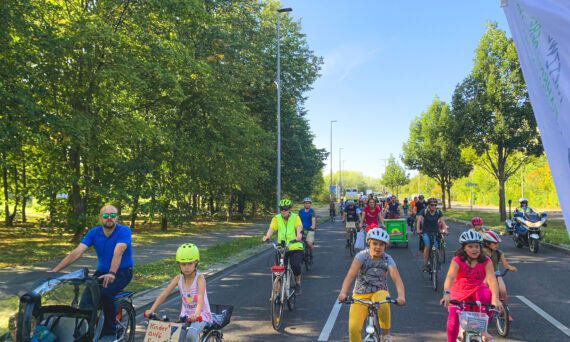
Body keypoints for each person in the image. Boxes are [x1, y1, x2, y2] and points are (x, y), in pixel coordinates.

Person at [48, 205, 133, 342]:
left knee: (106, 294)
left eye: (112, 215)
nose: (109, 218)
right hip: (101, 272)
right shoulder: (94, 232)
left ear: (117, 217)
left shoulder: (124, 230)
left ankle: (110, 333)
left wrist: (112, 273)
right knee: (86, 302)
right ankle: (86, 332)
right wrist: (56, 270)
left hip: (122, 272)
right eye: (105, 215)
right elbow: (78, 252)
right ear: (100, 218)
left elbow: (119, 251)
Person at [338, 228, 405, 342]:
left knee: (384, 302)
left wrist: (401, 296)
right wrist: (343, 293)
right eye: (375, 243)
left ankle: (385, 335)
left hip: (379, 291)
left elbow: (397, 279)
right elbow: (350, 275)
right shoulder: (361, 256)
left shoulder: (387, 259)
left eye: (381, 245)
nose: (378, 247)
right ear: (368, 243)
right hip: (360, 294)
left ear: (385, 246)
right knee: (354, 328)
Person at [440, 230, 502, 342]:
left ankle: (483, 330)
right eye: (471, 246)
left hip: (477, 288)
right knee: (453, 317)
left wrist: (495, 299)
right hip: (459, 290)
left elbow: (492, 280)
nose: (475, 249)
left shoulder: (486, 260)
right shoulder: (457, 260)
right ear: (464, 248)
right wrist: (446, 293)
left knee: (488, 298)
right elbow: (450, 278)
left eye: (477, 246)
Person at [144, 243, 212, 341]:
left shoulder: (200, 278)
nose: (187, 267)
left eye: (190, 263)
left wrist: (196, 314)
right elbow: (164, 294)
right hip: (185, 316)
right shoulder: (178, 278)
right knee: (173, 338)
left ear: (196, 262)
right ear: (179, 264)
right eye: (183, 264)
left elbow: (200, 297)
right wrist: (151, 310)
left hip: (201, 315)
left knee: (191, 336)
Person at [262, 199, 304, 295]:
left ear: (290, 209)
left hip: (295, 246)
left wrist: (299, 235)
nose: (283, 211)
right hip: (282, 248)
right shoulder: (276, 218)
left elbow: (299, 227)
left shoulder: (295, 217)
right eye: (282, 209)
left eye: (285, 209)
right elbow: (272, 228)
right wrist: (267, 236)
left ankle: (298, 283)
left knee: (295, 265)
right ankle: (276, 294)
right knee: (277, 270)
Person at [482, 231, 517, 307]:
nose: (497, 245)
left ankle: (505, 309)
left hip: (496, 273)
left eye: (497, 243)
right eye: (494, 243)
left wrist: (511, 268)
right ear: (487, 243)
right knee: (483, 289)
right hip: (483, 274)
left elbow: (506, 265)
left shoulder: (499, 253)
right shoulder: (479, 253)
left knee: (503, 290)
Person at [416, 198, 449, 272]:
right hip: (426, 232)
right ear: (428, 205)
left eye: (435, 205)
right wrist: (418, 229)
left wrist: (445, 230)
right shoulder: (424, 211)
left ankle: (438, 261)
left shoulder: (438, 212)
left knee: (436, 247)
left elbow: (443, 222)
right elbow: (419, 221)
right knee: (427, 245)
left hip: (435, 232)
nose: (433, 206)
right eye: (432, 205)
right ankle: (425, 265)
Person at [299, 197, 316, 263]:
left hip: (309, 229)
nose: (307, 204)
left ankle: (311, 256)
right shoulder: (300, 211)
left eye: (308, 203)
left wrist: (313, 226)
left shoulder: (312, 211)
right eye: (306, 203)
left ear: (310, 204)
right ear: (304, 204)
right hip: (301, 229)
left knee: (309, 244)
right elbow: (298, 220)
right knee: (298, 244)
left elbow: (313, 219)